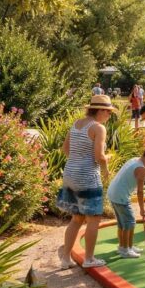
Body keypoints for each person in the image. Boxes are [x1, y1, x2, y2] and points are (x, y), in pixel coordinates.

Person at [56, 94, 116, 269]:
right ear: (100, 110)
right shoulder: (98, 128)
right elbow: (99, 157)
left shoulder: (76, 124)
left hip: (70, 174)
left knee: (76, 218)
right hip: (87, 177)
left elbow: (65, 149)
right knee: (93, 219)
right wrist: (106, 164)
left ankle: (65, 259)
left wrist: (78, 160)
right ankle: (89, 259)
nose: (109, 115)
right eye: (108, 112)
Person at [107, 145, 145, 258]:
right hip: (121, 196)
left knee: (122, 223)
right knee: (130, 222)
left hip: (113, 193)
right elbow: (140, 191)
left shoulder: (134, 160)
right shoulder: (141, 169)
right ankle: (125, 250)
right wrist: (142, 209)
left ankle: (126, 246)